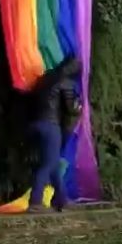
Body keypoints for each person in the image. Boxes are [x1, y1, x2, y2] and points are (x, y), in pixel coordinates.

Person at [27, 56, 82, 214]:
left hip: (36, 123)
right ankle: (35, 201)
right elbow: (71, 108)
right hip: (51, 125)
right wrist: (79, 105)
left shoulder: (46, 77)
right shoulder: (66, 82)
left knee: (53, 163)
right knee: (49, 164)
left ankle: (61, 200)